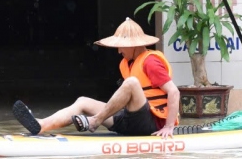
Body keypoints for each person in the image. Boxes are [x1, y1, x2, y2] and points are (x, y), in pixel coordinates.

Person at [13, 17, 179, 137]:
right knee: (83, 101)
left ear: (133, 45)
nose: (119, 51)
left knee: (131, 82)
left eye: (121, 46)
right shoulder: (126, 63)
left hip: (150, 124)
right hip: (131, 120)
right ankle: (41, 125)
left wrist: (169, 126)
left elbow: (174, 92)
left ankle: (94, 121)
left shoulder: (150, 62)